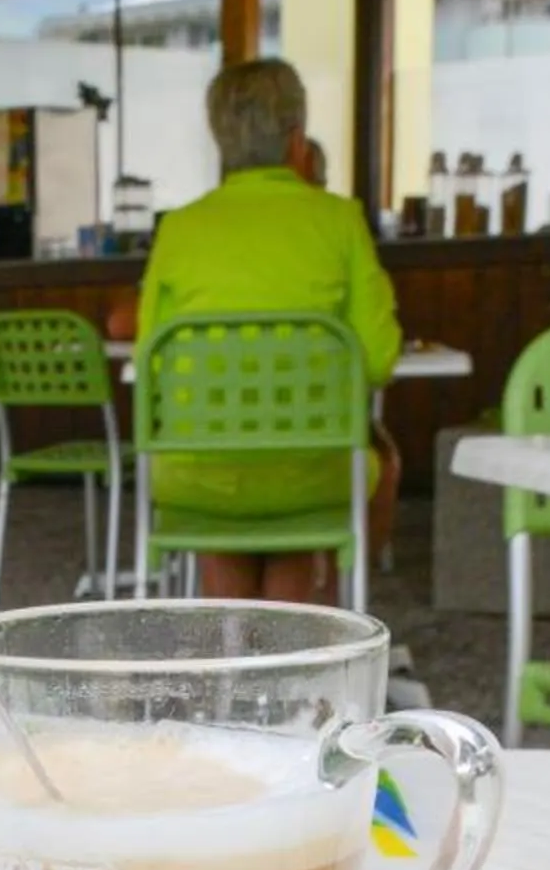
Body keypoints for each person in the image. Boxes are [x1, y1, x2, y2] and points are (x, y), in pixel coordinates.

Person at [136, 57, 401, 604]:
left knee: (219, 484)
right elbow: (377, 359)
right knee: (305, 478)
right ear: (296, 138)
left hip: (198, 476)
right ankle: (304, 645)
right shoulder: (339, 221)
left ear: (220, 141)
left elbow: (151, 365)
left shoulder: (179, 229)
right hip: (311, 472)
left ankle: (231, 652)